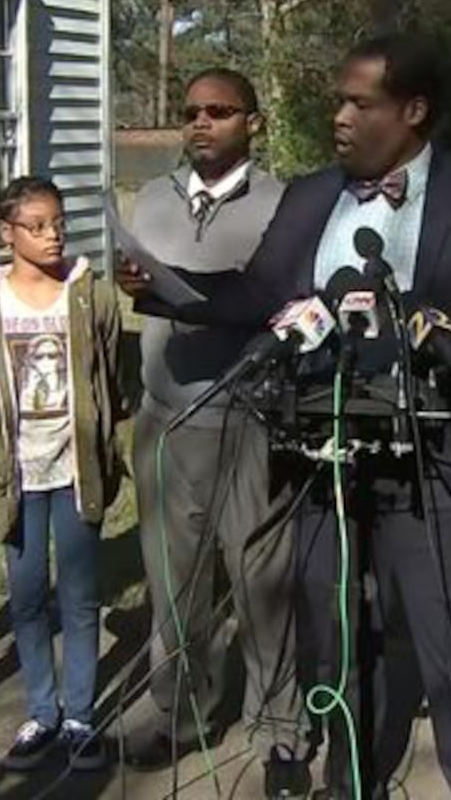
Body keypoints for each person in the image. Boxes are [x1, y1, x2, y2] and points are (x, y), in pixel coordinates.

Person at [118, 35, 451, 799]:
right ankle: (351, 784)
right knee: (339, 648)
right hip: (326, 466)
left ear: (413, 112)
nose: (340, 118)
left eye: (360, 103)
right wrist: (161, 287)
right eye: (337, 102)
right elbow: (256, 293)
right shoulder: (313, 195)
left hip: (436, 473)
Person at [118, 68, 311, 795]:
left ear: (252, 123)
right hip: (166, 418)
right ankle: (181, 710)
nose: (200, 124)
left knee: (263, 584)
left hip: (250, 419)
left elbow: (289, 303)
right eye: (190, 112)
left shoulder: (283, 205)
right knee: (174, 586)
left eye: (219, 112)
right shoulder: (152, 199)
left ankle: (280, 732)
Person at [0, 176, 127, 772]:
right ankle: (41, 713)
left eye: (58, 223)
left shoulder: (89, 294)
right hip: (16, 475)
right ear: (7, 233)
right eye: (36, 226)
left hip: (74, 468)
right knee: (27, 597)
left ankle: (79, 715)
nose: (52, 235)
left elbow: (109, 371)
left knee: (79, 596)